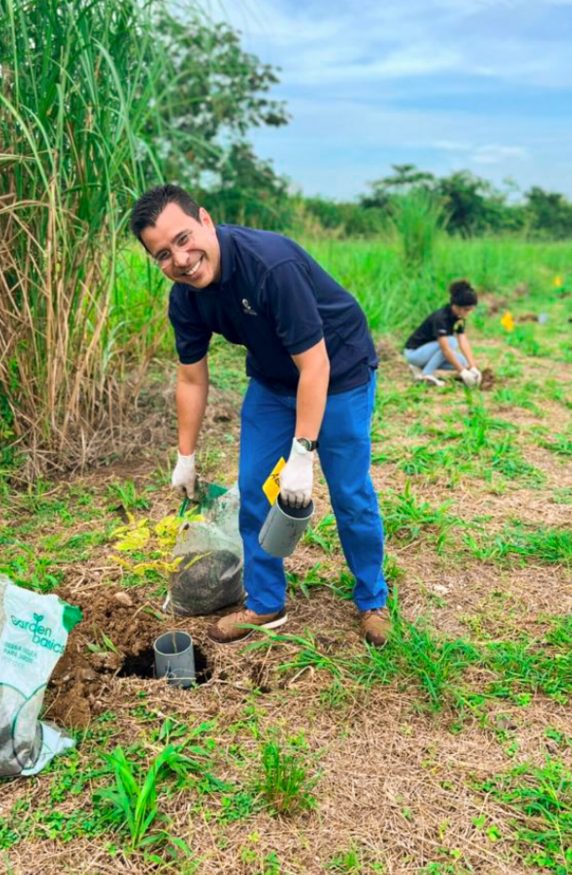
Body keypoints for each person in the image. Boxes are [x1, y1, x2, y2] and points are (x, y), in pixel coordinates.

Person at [130, 184, 389, 647]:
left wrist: (302, 454)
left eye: (184, 239)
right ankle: (266, 602)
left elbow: (316, 366)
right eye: (163, 255)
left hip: (338, 371)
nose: (181, 260)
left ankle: (372, 599)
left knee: (349, 493)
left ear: (205, 220)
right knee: (254, 489)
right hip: (273, 381)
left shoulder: (270, 265)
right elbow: (191, 379)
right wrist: (185, 456)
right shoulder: (186, 298)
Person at [404, 281, 482, 387]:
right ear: (456, 306)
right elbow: (445, 349)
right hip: (414, 353)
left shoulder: (459, 317)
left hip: (428, 352)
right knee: (451, 342)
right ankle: (427, 374)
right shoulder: (441, 318)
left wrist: (472, 367)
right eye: (466, 310)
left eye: (470, 310)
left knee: (463, 362)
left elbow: (463, 341)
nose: (468, 313)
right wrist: (462, 372)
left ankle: (419, 368)